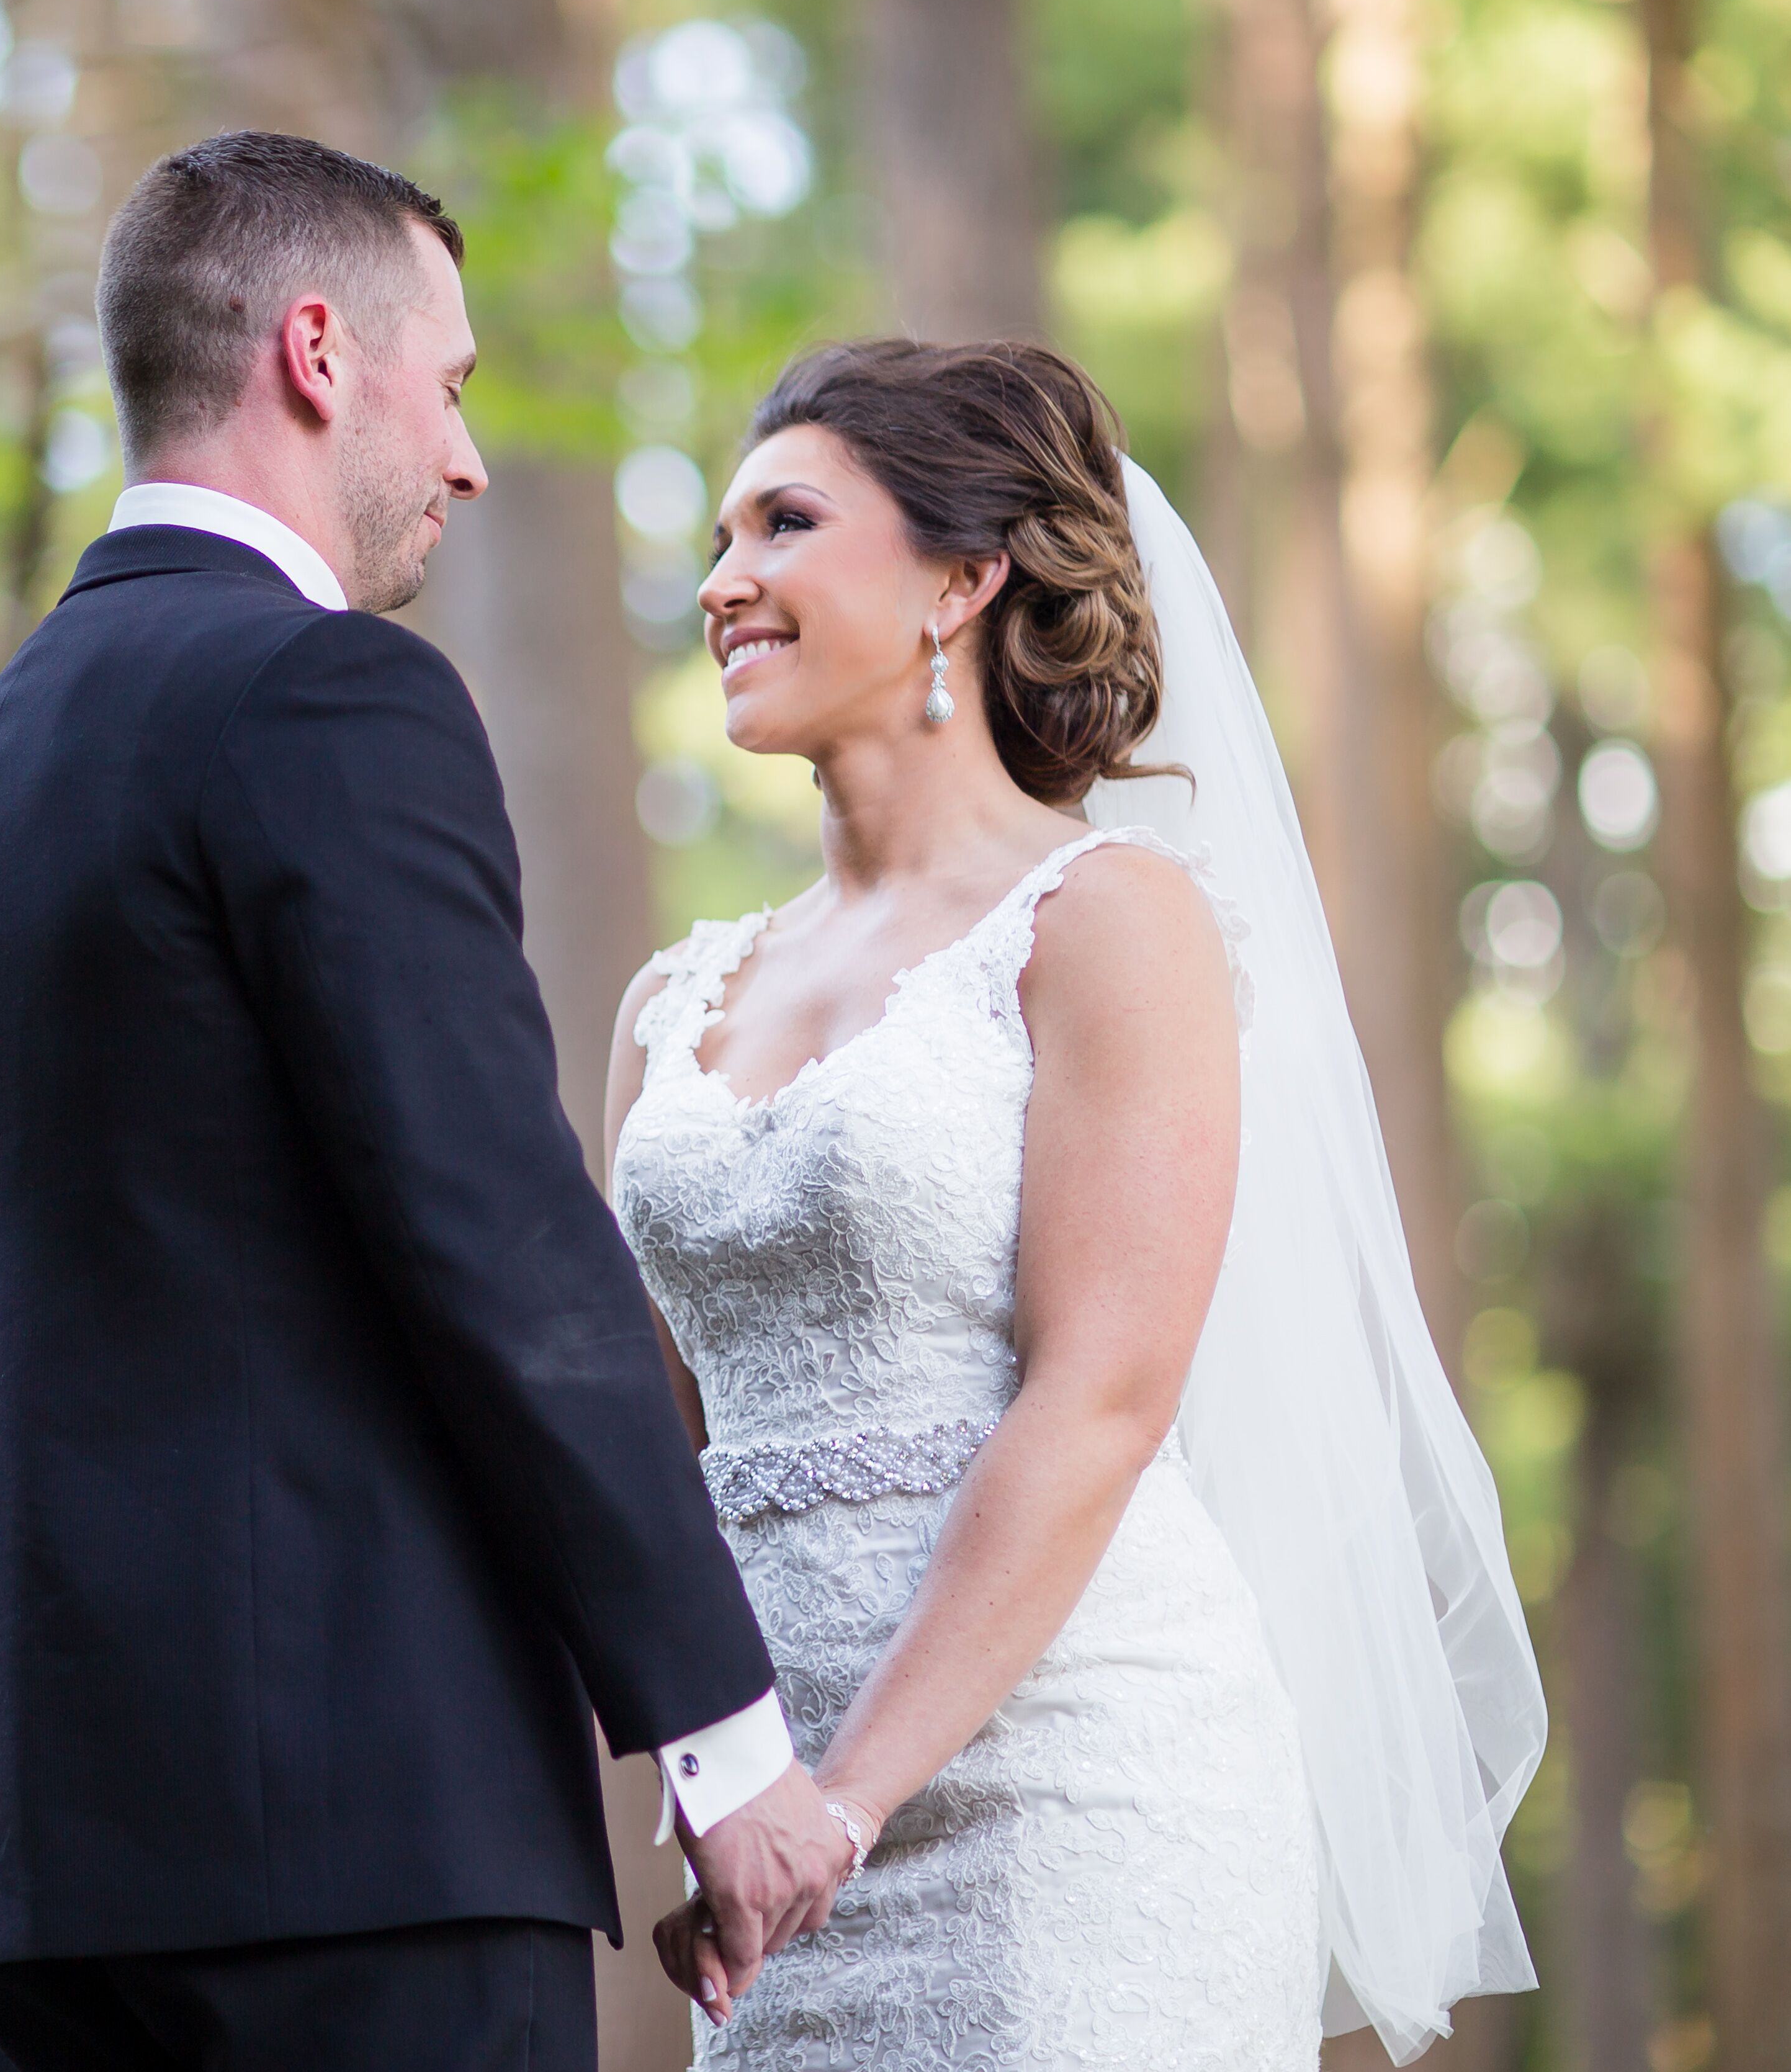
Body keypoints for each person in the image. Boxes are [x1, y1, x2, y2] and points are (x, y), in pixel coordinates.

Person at [0, 130, 850, 2072]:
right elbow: (495, 1235)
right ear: (321, 351)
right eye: (455, 383)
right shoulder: (325, 700)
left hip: (60, 1874)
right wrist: (723, 1741)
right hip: (358, 1840)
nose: (470, 457)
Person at [606, 338, 1543, 2066]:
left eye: (785, 524)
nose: (723, 581)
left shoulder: (1109, 921)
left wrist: (848, 1798)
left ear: (967, 576)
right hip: (773, 1846)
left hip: (1075, 1791)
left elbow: (1104, 1397)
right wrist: (730, 1782)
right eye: (724, 538)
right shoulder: (676, 1008)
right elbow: (650, 1455)